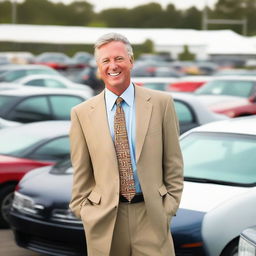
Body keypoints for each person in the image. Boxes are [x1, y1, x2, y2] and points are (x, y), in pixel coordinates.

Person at [69, 33, 183, 256]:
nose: (113, 66)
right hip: (106, 219)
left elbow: (174, 161)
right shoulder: (81, 113)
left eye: (119, 58)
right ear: (98, 67)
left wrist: (169, 206)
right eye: (106, 61)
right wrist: (83, 211)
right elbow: (81, 171)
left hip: (151, 214)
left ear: (131, 61)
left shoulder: (162, 103)